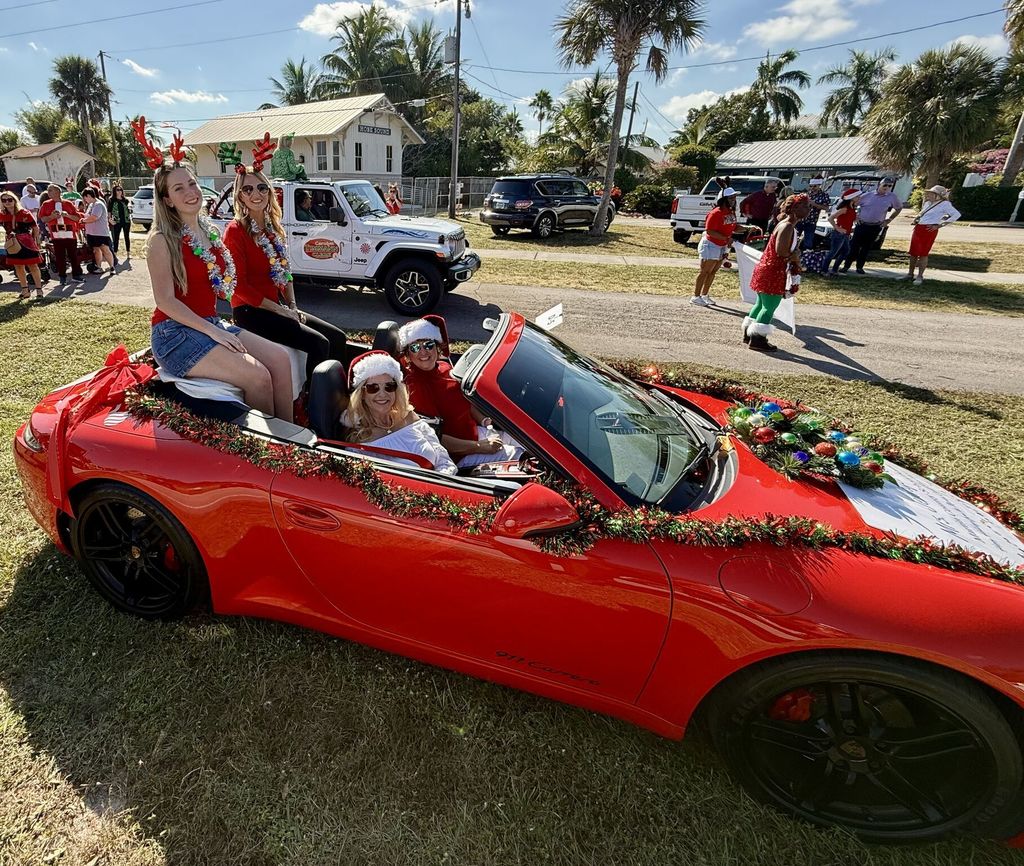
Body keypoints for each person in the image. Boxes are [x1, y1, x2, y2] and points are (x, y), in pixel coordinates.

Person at [143, 148, 295, 420]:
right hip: (174, 335)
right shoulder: (161, 240)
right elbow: (165, 301)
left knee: (281, 360)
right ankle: (272, 444)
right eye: (178, 188)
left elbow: (224, 287)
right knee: (258, 377)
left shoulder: (209, 232)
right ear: (167, 200)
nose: (190, 192)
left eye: (192, 183)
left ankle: (294, 434)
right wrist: (215, 332)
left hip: (209, 323)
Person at [225, 156, 353, 392]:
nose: (256, 194)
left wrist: (292, 306)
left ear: (269, 191)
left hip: (277, 308)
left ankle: (339, 399)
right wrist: (281, 311)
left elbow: (285, 273)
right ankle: (314, 404)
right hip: (251, 312)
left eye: (262, 187)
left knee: (337, 338)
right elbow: (239, 287)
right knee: (318, 344)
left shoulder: (272, 229)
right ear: (240, 196)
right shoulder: (235, 231)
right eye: (248, 189)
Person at [399, 316, 521, 467]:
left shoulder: (444, 367)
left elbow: (465, 403)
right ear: (408, 355)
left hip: (475, 433)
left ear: (437, 347)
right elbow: (434, 438)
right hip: (460, 454)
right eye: (415, 348)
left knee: (524, 441)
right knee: (520, 456)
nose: (423, 352)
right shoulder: (414, 387)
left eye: (428, 345)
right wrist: (480, 447)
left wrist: (485, 421)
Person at [342, 350, 457, 474]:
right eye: (373, 388)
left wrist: (441, 479)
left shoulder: (409, 417)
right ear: (362, 394)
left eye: (389, 386)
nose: (382, 394)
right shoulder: (360, 443)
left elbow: (444, 460)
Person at [742, 193, 810, 353]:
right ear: (795, 208)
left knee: (760, 304)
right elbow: (781, 252)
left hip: (768, 269)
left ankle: (748, 334)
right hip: (773, 271)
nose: (808, 209)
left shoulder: (786, 224)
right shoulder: (787, 226)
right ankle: (757, 339)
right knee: (769, 307)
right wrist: (795, 256)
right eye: (805, 206)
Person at [900, 185, 961, 285]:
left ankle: (920, 276)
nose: (929, 195)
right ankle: (910, 274)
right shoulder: (927, 203)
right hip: (919, 228)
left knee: (923, 253)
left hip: (929, 230)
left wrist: (939, 225)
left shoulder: (945, 204)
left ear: (939, 195)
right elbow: (923, 214)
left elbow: (956, 215)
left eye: (932, 193)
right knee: (913, 252)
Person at [840, 178, 902, 274]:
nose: (887, 187)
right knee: (854, 246)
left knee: (866, 248)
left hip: (876, 226)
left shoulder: (892, 197)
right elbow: (852, 204)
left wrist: (889, 220)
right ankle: (846, 266)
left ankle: (859, 267)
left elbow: (899, 208)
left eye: (890, 186)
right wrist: (855, 217)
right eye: (885, 185)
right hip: (862, 224)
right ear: (879, 185)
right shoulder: (868, 195)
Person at [692, 186, 737, 307]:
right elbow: (710, 231)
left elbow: (733, 226)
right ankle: (696, 296)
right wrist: (726, 238)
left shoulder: (731, 212)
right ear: (723, 199)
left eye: (734, 197)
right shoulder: (716, 213)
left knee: (713, 272)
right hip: (711, 245)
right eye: (731, 197)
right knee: (705, 271)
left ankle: (704, 295)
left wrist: (747, 228)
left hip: (721, 245)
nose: (733, 199)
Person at [1, 191, 46, 299]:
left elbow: (35, 228)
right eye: (4, 200)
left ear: (14, 200)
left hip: (27, 242)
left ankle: (39, 290)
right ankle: (25, 290)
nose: (7, 202)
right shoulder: (2, 215)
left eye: (9, 199)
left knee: (33, 266)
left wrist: (37, 242)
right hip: (12, 244)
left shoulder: (24, 212)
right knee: (18, 266)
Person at [39, 183, 84, 285]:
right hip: (56, 234)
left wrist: (67, 215)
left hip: (70, 234)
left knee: (73, 255)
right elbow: (43, 219)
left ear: (58, 192)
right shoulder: (46, 204)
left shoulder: (68, 203)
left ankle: (76, 275)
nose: (48, 192)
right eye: (48, 190)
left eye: (50, 190)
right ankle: (62, 277)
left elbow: (77, 218)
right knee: (60, 256)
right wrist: (51, 217)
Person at [823, 188, 861, 276]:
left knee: (845, 251)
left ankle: (834, 270)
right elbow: (830, 218)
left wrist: (856, 220)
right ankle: (824, 270)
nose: (859, 198)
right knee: (833, 252)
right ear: (852, 198)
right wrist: (837, 228)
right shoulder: (845, 209)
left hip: (846, 234)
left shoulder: (852, 208)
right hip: (839, 234)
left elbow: (850, 219)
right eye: (857, 196)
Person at [80, 187, 116, 273]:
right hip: (91, 233)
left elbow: (94, 217)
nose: (85, 200)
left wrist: (83, 221)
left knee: (105, 249)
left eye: (85, 198)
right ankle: (98, 267)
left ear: (88, 196)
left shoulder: (98, 204)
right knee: (96, 250)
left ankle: (112, 267)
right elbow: (87, 216)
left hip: (101, 233)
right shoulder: (91, 205)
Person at [797, 177, 830, 249]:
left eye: (814, 186)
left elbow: (826, 208)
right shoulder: (806, 194)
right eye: (811, 186)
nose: (812, 188)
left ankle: (805, 254)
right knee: (794, 238)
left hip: (811, 221)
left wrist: (814, 204)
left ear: (819, 185)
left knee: (808, 242)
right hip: (800, 219)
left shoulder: (824, 195)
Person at [108, 185, 132, 260]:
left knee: (127, 237)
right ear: (114, 191)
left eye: (120, 190)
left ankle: (128, 253)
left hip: (126, 221)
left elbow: (128, 209)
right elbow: (109, 211)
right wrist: (110, 220)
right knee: (116, 238)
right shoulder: (112, 200)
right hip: (117, 221)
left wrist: (130, 210)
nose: (119, 191)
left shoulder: (125, 200)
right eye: (117, 190)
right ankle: (115, 254)